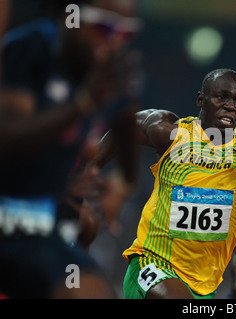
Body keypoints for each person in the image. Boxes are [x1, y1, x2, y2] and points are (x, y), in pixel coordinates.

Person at [87, 68, 236, 299]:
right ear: (200, 99)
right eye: (221, 97)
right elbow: (125, 127)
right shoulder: (172, 132)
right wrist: (86, 173)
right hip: (154, 265)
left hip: (203, 287)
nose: (230, 106)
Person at [0, 0, 142, 298]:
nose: (114, 40)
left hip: (36, 231)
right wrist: (82, 104)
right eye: (104, 27)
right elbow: (9, 138)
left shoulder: (105, 71)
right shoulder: (31, 47)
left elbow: (127, 119)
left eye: (125, 32)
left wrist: (124, 181)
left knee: (93, 291)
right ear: (71, 15)